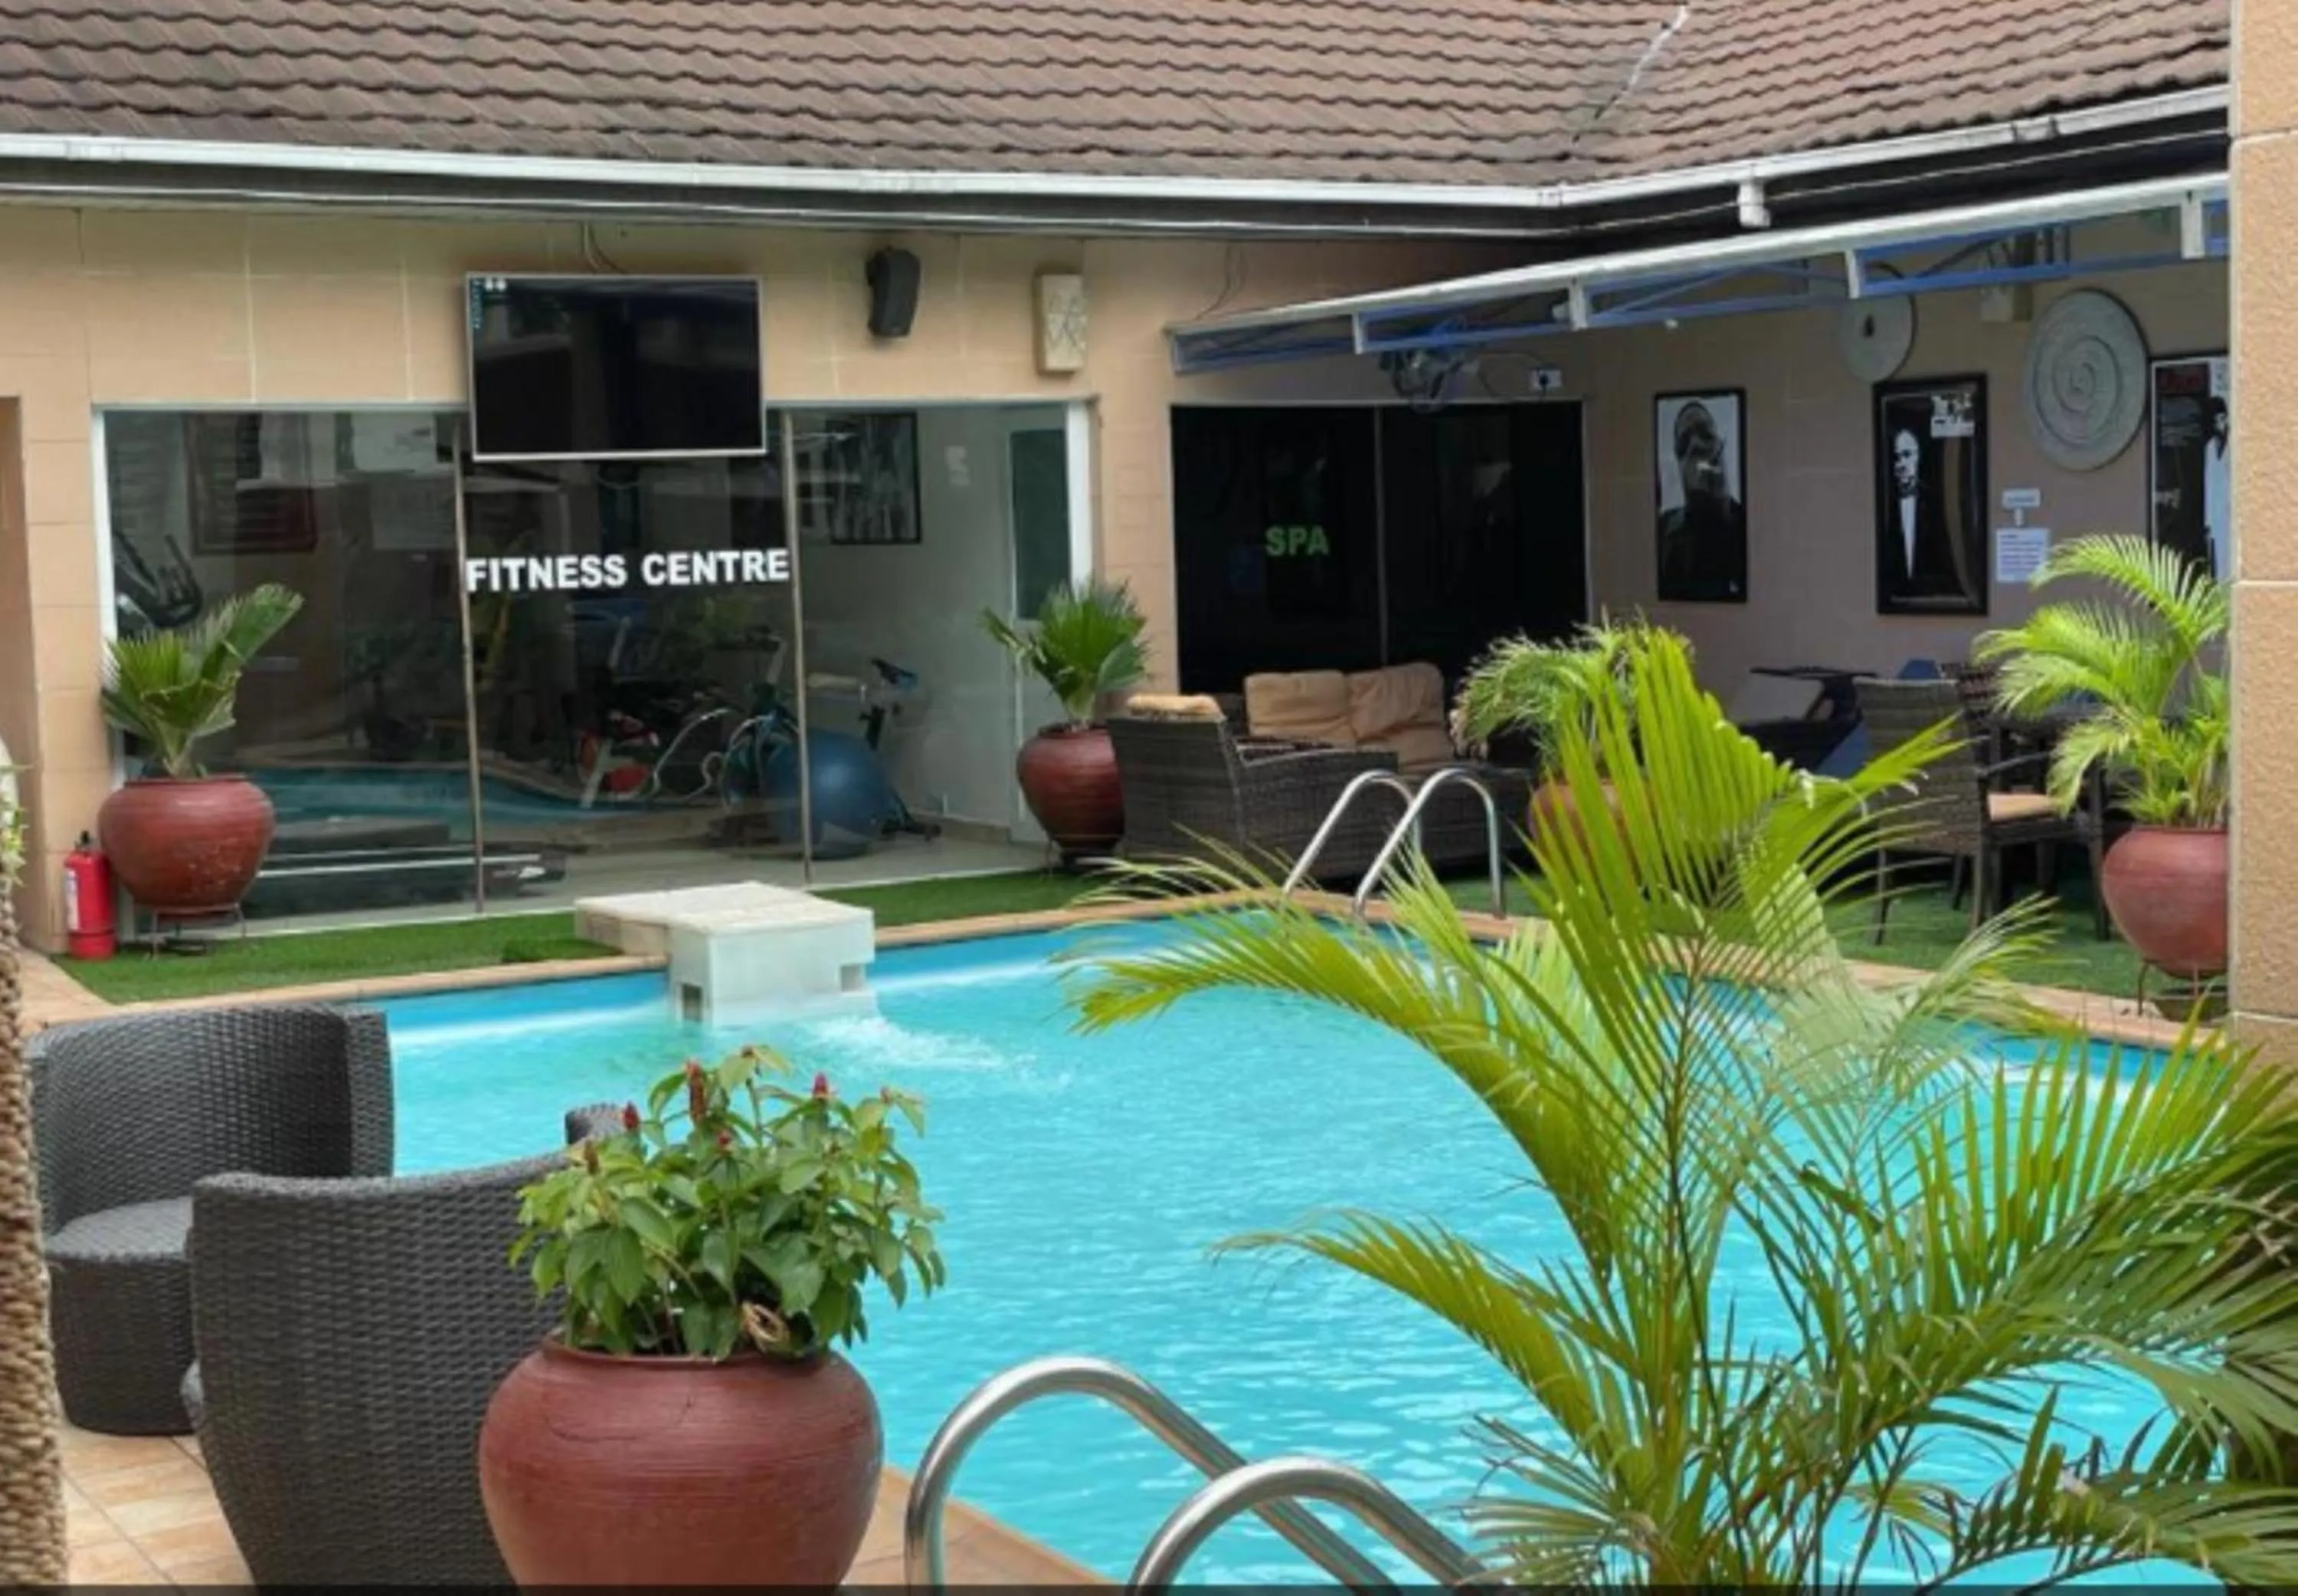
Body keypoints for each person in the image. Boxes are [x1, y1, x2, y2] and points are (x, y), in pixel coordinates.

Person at [1655, 401, 1746, 601]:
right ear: (1677, 462)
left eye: (1705, 433)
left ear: (1720, 445)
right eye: (1684, 441)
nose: (1696, 445)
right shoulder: (1662, 530)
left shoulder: (1750, 525)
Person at [1879, 424, 1976, 607]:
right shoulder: (1884, 506)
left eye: (1907, 455)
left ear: (1919, 457)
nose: (1901, 465)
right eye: (1896, 458)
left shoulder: (1938, 505)